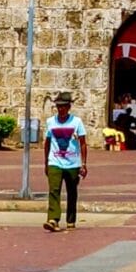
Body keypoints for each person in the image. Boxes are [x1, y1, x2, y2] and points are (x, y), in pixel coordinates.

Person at [42, 93, 87, 231]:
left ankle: (71, 219)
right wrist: (46, 163)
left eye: (63, 107)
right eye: (58, 106)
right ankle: (53, 219)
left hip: (72, 163)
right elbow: (47, 143)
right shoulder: (51, 122)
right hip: (55, 161)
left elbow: (83, 143)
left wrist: (83, 164)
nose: (60, 109)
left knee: (72, 192)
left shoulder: (76, 122)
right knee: (54, 190)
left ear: (68, 107)